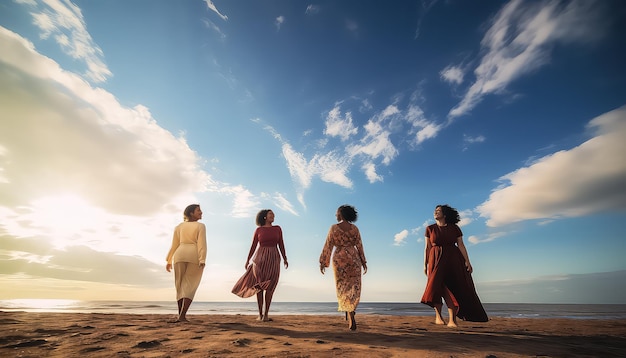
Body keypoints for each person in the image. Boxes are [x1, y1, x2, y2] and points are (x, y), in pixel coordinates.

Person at [421, 204, 488, 326]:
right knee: (436, 287)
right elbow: (427, 247)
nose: (435, 212)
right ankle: (438, 317)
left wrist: (467, 261)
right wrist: (425, 264)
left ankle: (452, 320)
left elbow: (461, 245)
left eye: (438, 211)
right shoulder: (429, 228)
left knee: (453, 288)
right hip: (435, 258)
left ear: (445, 214)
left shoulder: (454, 228)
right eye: (435, 211)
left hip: (453, 259)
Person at [232, 209, 288, 321]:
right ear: (265, 217)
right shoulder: (259, 230)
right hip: (260, 259)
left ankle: (266, 314)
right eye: (270, 214)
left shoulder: (278, 229)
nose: (273, 215)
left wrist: (285, 258)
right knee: (260, 286)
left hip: (274, 258)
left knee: (271, 286)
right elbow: (253, 245)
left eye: (273, 214)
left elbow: (281, 243)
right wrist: (248, 259)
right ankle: (260, 314)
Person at [319, 204, 368, 331]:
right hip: (353, 258)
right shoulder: (355, 229)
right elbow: (360, 246)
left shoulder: (334, 228)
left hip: (340, 259)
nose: (335, 215)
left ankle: (349, 313)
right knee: (354, 287)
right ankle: (351, 311)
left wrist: (323, 262)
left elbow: (328, 245)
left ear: (341, 214)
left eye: (337, 213)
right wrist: (363, 262)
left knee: (342, 287)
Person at [165, 204, 207, 323]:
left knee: (179, 286)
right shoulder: (200, 226)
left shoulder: (178, 227)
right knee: (190, 286)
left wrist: (169, 260)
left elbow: (174, 245)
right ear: (191, 213)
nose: (201, 212)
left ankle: (180, 315)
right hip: (193, 255)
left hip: (179, 255)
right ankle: (182, 316)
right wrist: (202, 259)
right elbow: (201, 244)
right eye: (198, 210)